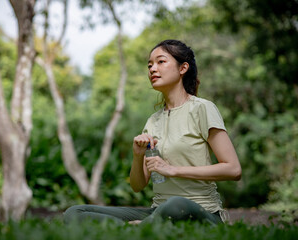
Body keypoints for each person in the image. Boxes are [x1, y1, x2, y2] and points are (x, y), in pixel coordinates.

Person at [64, 39, 242, 225]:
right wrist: (137, 155)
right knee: (75, 212)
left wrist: (173, 170)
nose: (152, 69)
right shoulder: (153, 121)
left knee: (176, 205)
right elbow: (137, 185)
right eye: (149, 65)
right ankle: (144, 228)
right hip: (157, 211)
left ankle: (138, 229)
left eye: (161, 62)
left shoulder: (202, 109)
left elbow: (233, 169)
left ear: (183, 68)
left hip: (199, 212)